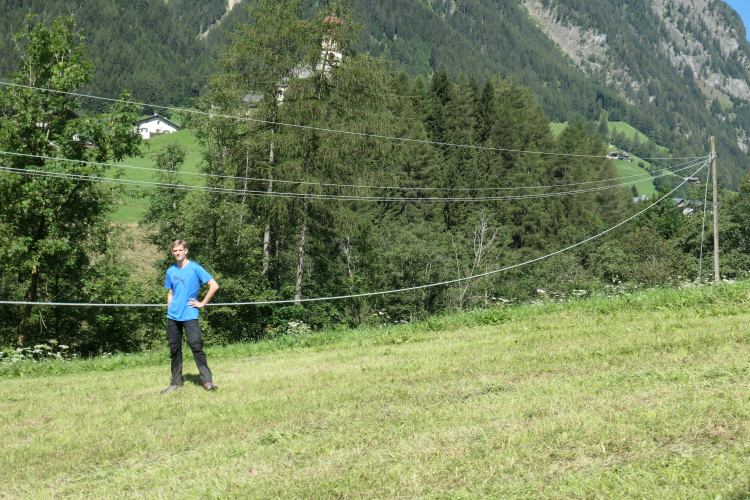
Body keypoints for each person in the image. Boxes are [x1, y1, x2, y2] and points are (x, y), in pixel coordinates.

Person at [161, 239, 220, 394]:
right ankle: (175, 382)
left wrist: (202, 303)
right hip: (173, 316)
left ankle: (207, 381)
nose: (177, 253)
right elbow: (171, 292)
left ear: (186, 251)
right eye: (175, 251)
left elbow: (214, 285)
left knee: (196, 346)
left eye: (180, 250)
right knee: (174, 349)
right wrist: (170, 308)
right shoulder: (170, 271)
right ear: (172, 252)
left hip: (190, 314)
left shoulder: (195, 268)